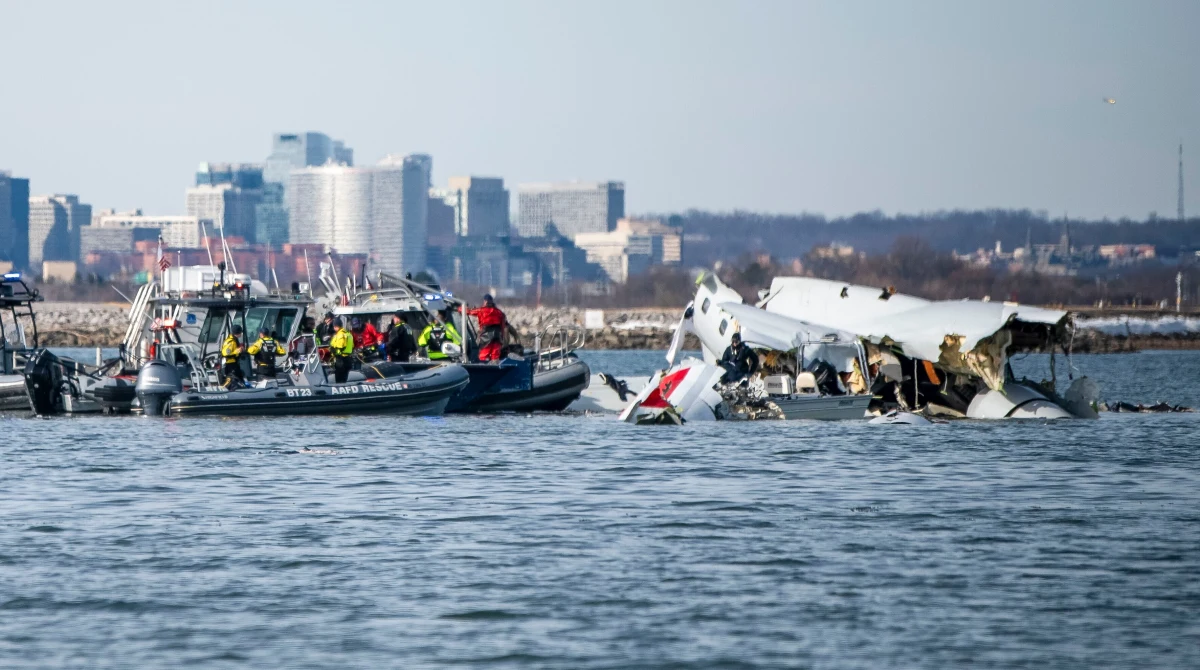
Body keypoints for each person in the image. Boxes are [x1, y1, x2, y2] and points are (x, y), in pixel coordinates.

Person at [469, 294, 508, 363]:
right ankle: (495, 369)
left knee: (483, 355)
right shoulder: (499, 312)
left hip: (486, 336)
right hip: (497, 336)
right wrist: (502, 337)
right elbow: (502, 326)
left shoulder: (481, 310)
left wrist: (459, 308)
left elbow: (469, 311)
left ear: (485, 301)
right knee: (495, 355)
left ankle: (482, 369)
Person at [220, 324, 246, 388]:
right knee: (231, 378)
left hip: (234, 363)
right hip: (230, 364)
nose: (241, 334)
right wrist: (238, 351)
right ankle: (222, 388)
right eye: (240, 332)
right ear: (237, 333)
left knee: (239, 377)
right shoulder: (231, 342)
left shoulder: (234, 340)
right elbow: (226, 353)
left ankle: (242, 389)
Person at [329, 317, 355, 383]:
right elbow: (352, 346)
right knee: (346, 378)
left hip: (341, 360)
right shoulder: (348, 334)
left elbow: (340, 347)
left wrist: (333, 350)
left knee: (339, 378)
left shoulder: (340, 335)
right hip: (348, 358)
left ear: (336, 326)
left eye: (334, 326)